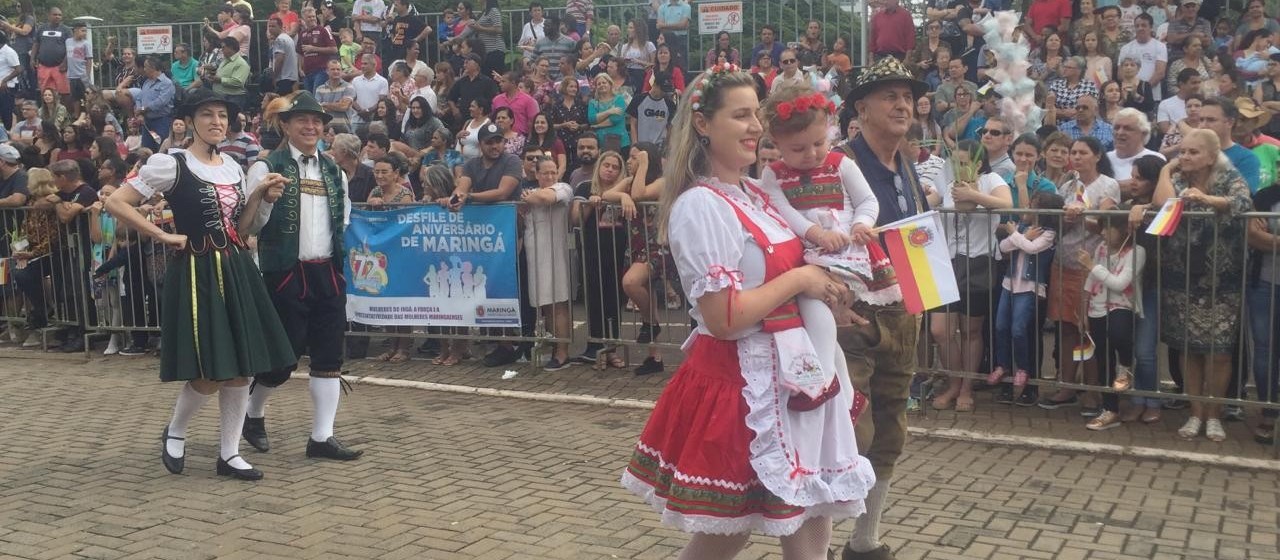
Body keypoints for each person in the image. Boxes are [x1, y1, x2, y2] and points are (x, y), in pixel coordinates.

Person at [621, 61, 874, 559]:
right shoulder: (701, 206)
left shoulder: (757, 191)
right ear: (702, 124)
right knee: (726, 530)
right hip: (745, 384)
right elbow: (724, 318)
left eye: (756, 115)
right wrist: (801, 279)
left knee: (811, 509)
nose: (756, 127)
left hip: (798, 372)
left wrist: (827, 293)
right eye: (740, 115)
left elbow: (796, 264)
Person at [104, 90, 295, 480]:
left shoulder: (232, 167)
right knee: (212, 365)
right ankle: (175, 430)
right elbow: (117, 202)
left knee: (242, 363)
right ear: (191, 121)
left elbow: (241, 228)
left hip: (236, 266)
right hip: (196, 271)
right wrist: (161, 234)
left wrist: (260, 194)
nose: (216, 122)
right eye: (207, 114)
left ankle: (229, 454)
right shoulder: (170, 164)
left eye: (222, 115)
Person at [831, 56, 934, 560]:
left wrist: (921, 302)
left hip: (901, 312)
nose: (902, 104)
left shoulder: (906, 165)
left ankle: (864, 543)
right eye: (889, 95)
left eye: (908, 97)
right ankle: (817, 545)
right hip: (853, 315)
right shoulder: (837, 163)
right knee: (849, 428)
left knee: (891, 426)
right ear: (861, 108)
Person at [241, 92, 362, 462]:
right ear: (285, 125)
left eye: (316, 122)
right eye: (302, 121)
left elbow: (342, 217)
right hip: (283, 272)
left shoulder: (334, 171)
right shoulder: (266, 167)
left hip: (327, 270)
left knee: (329, 357)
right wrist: (266, 200)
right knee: (282, 357)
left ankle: (321, 437)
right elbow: (252, 224)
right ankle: (252, 413)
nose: (311, 127)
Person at [1154, 128, 1252, 442]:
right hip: (1180, 277)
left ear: (1211, 156)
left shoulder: (1229, 177)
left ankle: (1214, 414)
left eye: (1193, 152)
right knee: (1188, 348)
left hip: (1221, 280)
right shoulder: (1178, 179)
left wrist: (1205, 198)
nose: (1185, 156)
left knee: (1219, 352)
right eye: (1183, 151)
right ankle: (1195, 413)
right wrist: (1166, 168)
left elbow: (1242, 203)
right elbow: (1161, 203)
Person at [1039, 137, 1121, 411]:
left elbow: (1109, 226)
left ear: (1097, 155)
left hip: (1091, 267)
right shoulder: (1066, 185)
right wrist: (1065, 218)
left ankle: (1092, 389)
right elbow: (1055, 224)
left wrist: (1083, 215)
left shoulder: (1107, 185)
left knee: (1088, 329)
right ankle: (1067, 385)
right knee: (1065, 328)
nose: (1076, 156)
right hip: (1063, 262)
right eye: (1073, 152)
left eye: (1083, 152)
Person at [990, 191, 1062, 402]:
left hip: (1030, 286)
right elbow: (1003, 248)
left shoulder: (1049, 234)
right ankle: (1003, 364)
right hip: (1008, 284)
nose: (1028, 209)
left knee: (1019, 329)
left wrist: (1017, 236)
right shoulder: (1022, 229)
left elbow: (1031, 248)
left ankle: (1023, 368)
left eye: (1034, 206)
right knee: (1000, 326)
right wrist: (1021, 236)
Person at [1078, 212, 1145, 431]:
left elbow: (1119, 283)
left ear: (1124, 230)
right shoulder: (1101, 249)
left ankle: (1125, 366)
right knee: (1103, 357)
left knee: (1119, 334)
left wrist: (1092, 266)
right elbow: (1091, 279)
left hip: (1121, 305)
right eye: (1102, 228)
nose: (1104, 233)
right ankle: (1110, 409)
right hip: (1098, 306)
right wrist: (1083, 307)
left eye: (1109, 228)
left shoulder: (1137, 252)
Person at [571, 149, 627, 367]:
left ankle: (612, 348)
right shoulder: (585, 187)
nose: (610, 170)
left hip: (617, 251)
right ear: (599, 167)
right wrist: (589, 205)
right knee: (594, 298)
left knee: (614, 300)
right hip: (592, 250)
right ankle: (594, 347)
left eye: (615, 167)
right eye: (607, 165)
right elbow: (575, 219)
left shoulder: (624, 190)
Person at [520, 155, 574, 370]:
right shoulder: (531, 192)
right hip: (535, 256)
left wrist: (529, 197)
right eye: (545, 173)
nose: (550, 176)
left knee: (559, 304)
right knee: (545, 306)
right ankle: (554, 346)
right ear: (536, 174)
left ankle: (562, 353)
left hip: (556, 256)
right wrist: (526, 200)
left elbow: (546, 199)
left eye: (553, 172)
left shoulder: (564, 188)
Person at [30, 6, 68, 104]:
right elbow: (36, 44)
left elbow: (71, 48)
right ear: (49, 16)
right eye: (55, 14)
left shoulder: (66, 30)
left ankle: (63, 113)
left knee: (63, 92)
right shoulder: (42, 28)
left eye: (60, 15)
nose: (57, 17)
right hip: (43, 66)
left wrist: (65, 62)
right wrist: (32, 59)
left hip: (60, 67)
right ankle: (46, 113)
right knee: (45, 92)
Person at [297, 6, 338, 93]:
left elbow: (334, 49)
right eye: (309, 17)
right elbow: (300, 53)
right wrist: (300, 68)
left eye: (313, 16)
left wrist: (314, 49)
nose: (312, 19)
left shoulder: (323, 30)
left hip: (321, 70)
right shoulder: (302, 34)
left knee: (318, 96)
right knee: (310, 99)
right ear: (303, 18)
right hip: (307, 72)